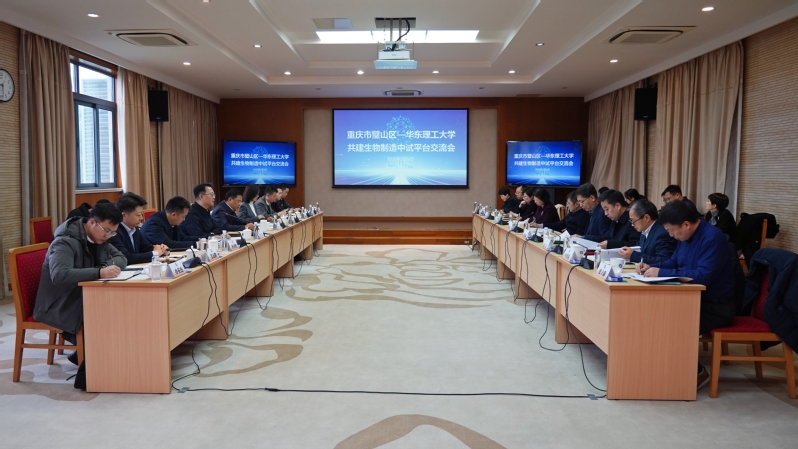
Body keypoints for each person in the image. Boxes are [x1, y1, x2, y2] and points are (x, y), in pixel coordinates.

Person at [638, 200, 738, 389]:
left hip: (715, 307)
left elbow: (703, 275)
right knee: (653, 316)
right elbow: (674, 262)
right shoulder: (685, 237)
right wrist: (652, 266)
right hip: (692, 300)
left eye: (672, 231)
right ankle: (662, 368)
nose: (671, 235)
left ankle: (696, 373)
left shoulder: (712, 238)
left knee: (671, 323)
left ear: (686, 224)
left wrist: (661, 272)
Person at [33, 202, 128, 357]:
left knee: (123, 307)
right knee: (104, 316)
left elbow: (121, 258)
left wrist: (104, 268)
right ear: (92, 222)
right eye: (106, 231)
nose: (108, 236)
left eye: (113, 233)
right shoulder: (64, 241)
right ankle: (93, 361)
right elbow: (59, 275)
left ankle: (111, 358)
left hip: (84, 295)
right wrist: (99, 272)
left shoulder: (99, 237)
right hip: (60, 302)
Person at [108, 192, 168, 264]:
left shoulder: (134, 229)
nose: (141, 218)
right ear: (124, 215)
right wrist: (155, 253)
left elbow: (146, 247)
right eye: (138, 215)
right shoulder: (114, 232)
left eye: (141, 214)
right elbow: (126, 257)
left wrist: (162, 249)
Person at [618, 198, 677, 265]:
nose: (632, 224)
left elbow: (663, 260)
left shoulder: (662, 233)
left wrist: (633, 255)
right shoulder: (645, 230)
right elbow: (639, 248)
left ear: (646, 218)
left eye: (633, 220)